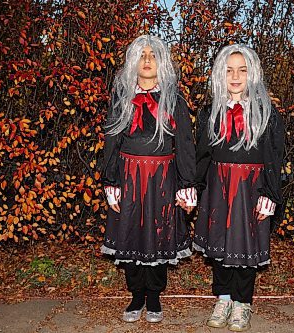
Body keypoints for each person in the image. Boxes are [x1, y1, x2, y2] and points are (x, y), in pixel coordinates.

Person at [101, 35, 196, 324]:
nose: (146, 61)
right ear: (133, 61)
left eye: (152, 55)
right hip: (129, 176)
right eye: (141, 55)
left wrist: (187, 184)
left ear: (161, 62)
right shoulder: (122, 96)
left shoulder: (174, 99)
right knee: (129, 232)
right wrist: (110, 182)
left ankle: (154, 296)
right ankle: (136, 296)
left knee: (159, 233)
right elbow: (111, 141)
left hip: (162, 179)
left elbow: (185, 144)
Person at [194, 44, 284, 332]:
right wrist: (194, 186)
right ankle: (223, 298)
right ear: (220, 74)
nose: (235, 76)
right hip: (218, 186)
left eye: (242, 70)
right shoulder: (210, 112)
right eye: (229, 70)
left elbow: (275, 155)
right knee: (219, 243)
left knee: (246, 244)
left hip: (251, 187)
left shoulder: (266, 113)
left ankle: (242, 303)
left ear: (252, 74)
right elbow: (202, 154)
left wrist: (270, 193)